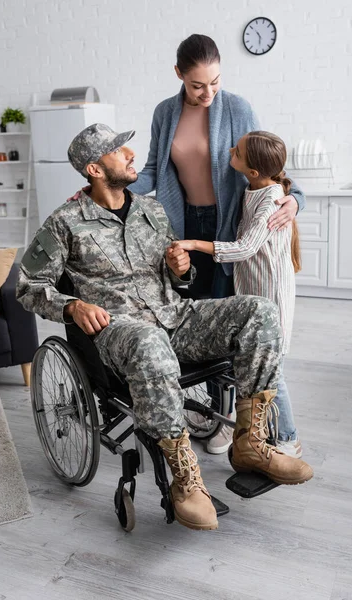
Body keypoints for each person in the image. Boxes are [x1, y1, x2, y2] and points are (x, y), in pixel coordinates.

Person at [17, 124, 313, 532]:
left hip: (176, 317)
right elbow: (27, 287)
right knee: (149, 340)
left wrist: (183, 271)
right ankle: (183, 477)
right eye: (120, 150)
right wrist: (72, 305)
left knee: (259, 312)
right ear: (95, 168)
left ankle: (251, 444)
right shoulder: (63, 223)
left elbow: (179, 279)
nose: (131, 154)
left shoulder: (152, 211)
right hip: (120, 330)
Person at [127, 33, 307, 455]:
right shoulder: (165, 113)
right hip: (185, 226)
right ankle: (218, 419)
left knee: (235, 327)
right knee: (199, 323)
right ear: (179, 75)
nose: (208, 93)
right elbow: (154, 171)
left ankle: (254, 426)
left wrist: (297, 199)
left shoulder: (238, 108)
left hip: (226, 230)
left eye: (215, 82)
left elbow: (269, 165)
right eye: (197, 85)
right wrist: (119, 183)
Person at [171, 131, 303, 458]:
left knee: (273, 371)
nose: (231, 149)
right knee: (244, 361)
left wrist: (194, 244)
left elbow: (244, 248)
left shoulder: (271, 202)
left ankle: (289, 440)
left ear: (253, 170)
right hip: (251, 294)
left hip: (270, 297)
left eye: (238, 151)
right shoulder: (251, 188)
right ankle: (243, 425)